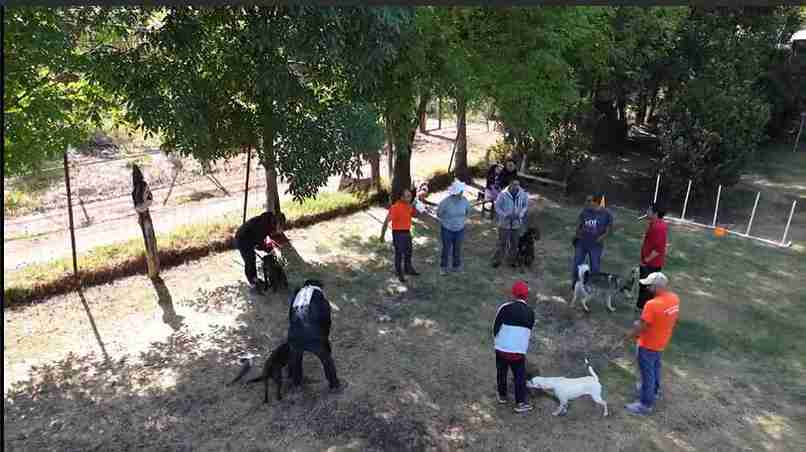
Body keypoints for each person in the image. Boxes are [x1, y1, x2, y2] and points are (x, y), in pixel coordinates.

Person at [624, 272, 679, 415]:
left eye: (649, 286)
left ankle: (645, 404)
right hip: (661, 342)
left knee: (646, 373)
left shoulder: (652, 305)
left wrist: (631, 334)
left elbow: (642, 326)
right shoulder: (674, 299)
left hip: (647, 344)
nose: (647, 288)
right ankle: (654, 391)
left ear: (656, 287)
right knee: (655, 367)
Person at [287, 279, 345, 394]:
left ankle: (297, 384)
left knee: (296, 358)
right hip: (313, 335)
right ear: (319, 286)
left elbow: (290, 316)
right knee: (326, 359)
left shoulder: (297, 295)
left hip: (294, 334)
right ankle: (334, 385)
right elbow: (325, 319)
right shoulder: (319, 296)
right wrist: (325, 338)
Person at [493, 280, 536, 413]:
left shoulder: (504, 307)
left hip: (501, 349)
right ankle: (520, 403)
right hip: (518, 351)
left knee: (501, 372)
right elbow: (528, 332)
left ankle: (502, 396)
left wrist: (498, 342)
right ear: (526, 295)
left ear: (513, 294)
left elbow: (495, 327)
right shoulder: (530, 312)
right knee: (519, 376)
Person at [380, 188, 426, 283]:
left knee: (409, 252)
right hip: (398, 233)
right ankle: (399, 273)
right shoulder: (395, 207)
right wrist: (382, 235)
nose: (410, 198)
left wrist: (420, 209)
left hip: (407, 232)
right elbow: (386, 221)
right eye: (407, 196)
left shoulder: (409, 206)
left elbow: (414, 215)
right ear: (401, 197)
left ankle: (408, 269)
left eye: (410, 196)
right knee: (399, 254)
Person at [235, 211, 286, 290]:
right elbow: (260, 244)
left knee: (253, 257)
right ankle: (253, 281)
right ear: (275, 223)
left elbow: (266, 237)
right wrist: (270, 250)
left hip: (250, 235)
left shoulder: (268, 220)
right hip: (242, 239)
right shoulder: (262, 227)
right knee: (250, 260)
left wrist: (272, 246)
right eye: (280, 226)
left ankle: (255, 279)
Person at [571, 194, 613, 290]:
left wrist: (602, 237)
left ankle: (592, 285)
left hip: (595, 245)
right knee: (577, 264)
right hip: (582, 243)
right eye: (586, 201)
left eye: (589, 201)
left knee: (595, 267)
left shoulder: (606, 214)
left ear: (596, 202)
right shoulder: (585, 211)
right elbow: (579, 223)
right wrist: (577, 235)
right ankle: (575, 284)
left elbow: (610, 229)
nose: (586, 203)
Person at [437, 180, 472, 275]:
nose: (462, 193)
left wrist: (463, 220)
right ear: (456, 192)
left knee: (457, 248)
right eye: (461, 191)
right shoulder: (445, 202)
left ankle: (456, 266)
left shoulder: (464, 200)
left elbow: (468, 211)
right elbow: (439, 213)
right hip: (447, 229)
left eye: (462, 191)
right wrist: (448, 220)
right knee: (446, 249)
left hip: (460, 229)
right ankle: (443, 267)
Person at [638, 203, 668, 311]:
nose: (647, 212)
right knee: (644, 287)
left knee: (647, 288)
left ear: (655, 213)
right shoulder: (654, 223)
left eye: (649, 210)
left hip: (651, 264)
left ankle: (644, 311)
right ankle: (641, 308)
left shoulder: (659, 227)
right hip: (648, 262)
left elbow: (658, 250)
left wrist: (645, 261)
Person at [492, 179, 529, 268]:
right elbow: (497, 207)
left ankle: (512, 260)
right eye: (514, 184)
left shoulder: (523, 194)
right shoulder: (502, 194)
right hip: (504, 223)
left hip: (517, 223)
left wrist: (520, 214)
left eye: (518, 184)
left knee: (514, 243)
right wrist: (505, 215)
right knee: (502, 242)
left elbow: (525, 206)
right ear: (510, 184)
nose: (516, 186)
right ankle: (497, 260)